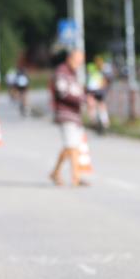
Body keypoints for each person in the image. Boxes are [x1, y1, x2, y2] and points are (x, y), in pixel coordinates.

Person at [49, 49, 88, 187]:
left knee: (72, 146)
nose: (79, 64)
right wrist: (81, 99)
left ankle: (55, 172)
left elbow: (77, 91)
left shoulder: (73, 73)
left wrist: (85, 98)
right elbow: (63, 93)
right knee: (72, 146)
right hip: (65, 113)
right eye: (77, 61)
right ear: (70, 58)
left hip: (75, 114)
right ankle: (76, 177)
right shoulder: (61, 72)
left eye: (81, 62)